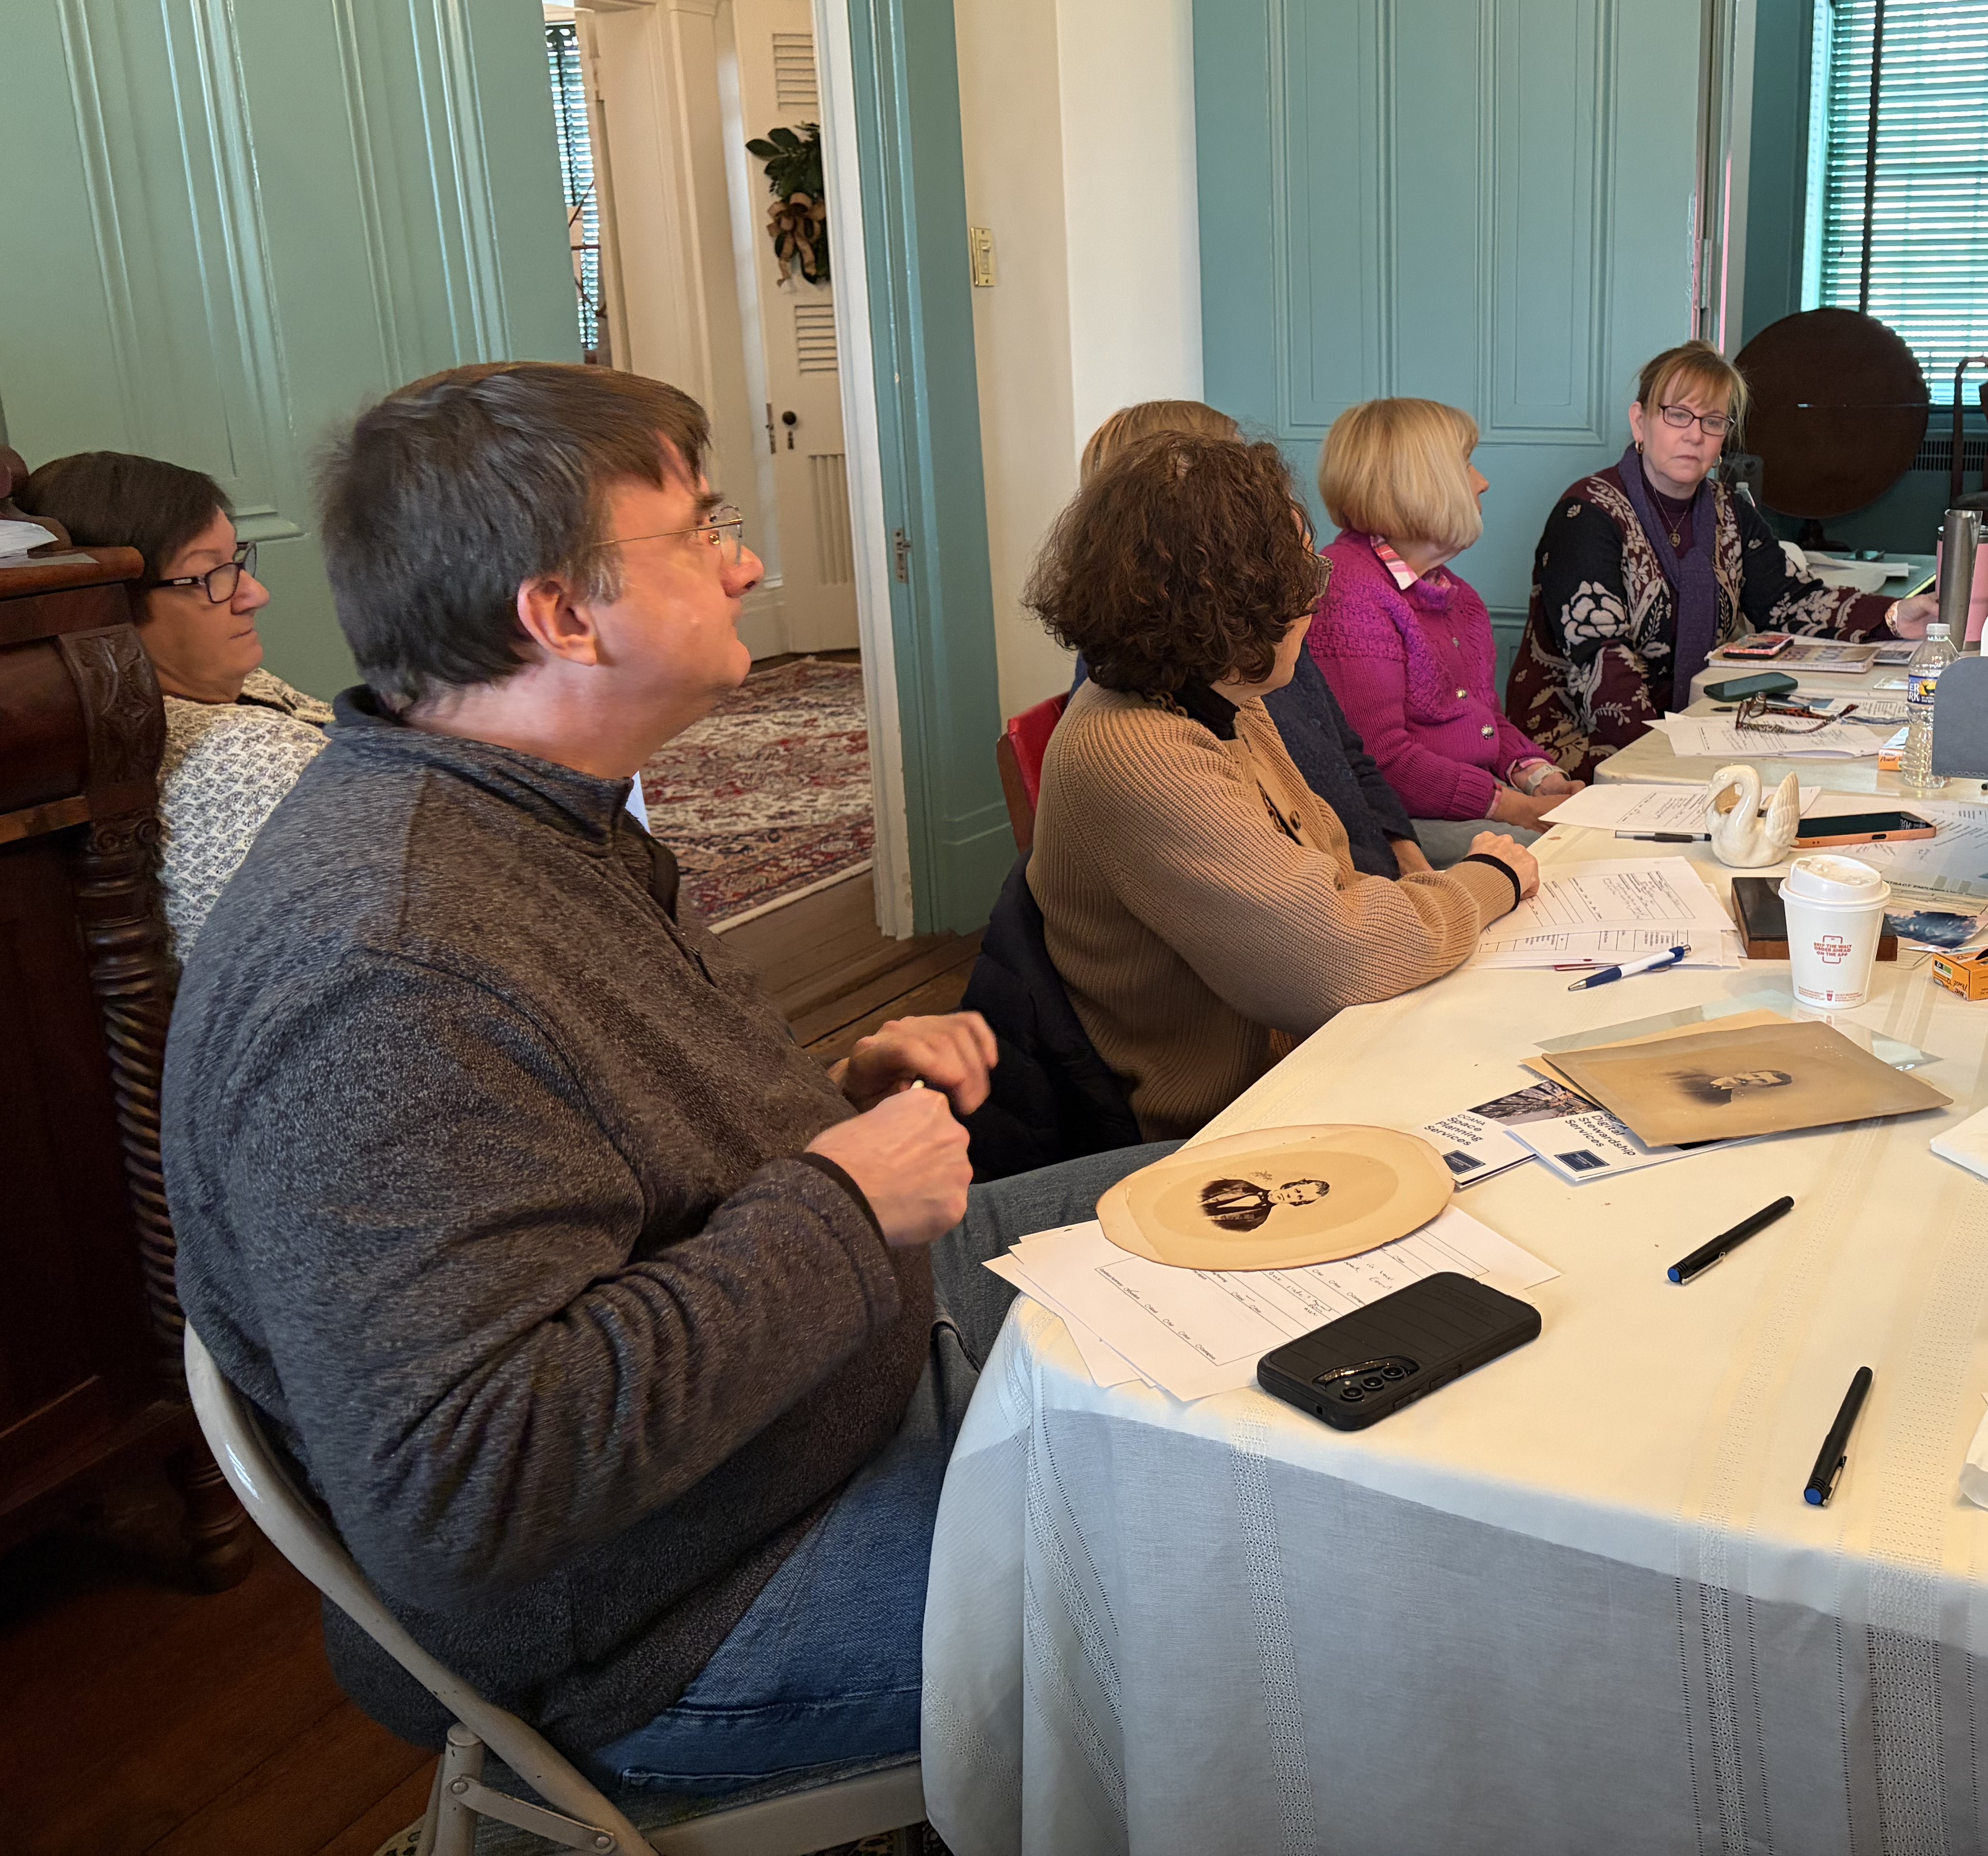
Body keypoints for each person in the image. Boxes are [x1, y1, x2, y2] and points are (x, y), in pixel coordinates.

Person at [162, 360, 1172, 1792]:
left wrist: (827, 1091)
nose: (749, 561)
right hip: (672, 1614)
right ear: (562, 614)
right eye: (700, 531)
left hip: (817, 1400)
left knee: (1208, 1203)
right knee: (1266, 1594)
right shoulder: (385, 969)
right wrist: (833, 1196)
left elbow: (578, 1156)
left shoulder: (524, 825)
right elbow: (466, 1483)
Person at [1023, 431, 1539, 1139]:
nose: (1313, 602)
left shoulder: (1223, 696)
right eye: (1298, 578)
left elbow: (1335, 877)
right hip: (1234, 1120)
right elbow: (1337, 958)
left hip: (1312, 1061)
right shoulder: (1137, 749)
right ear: (1225, 597)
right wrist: (1490, 880)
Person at [1508, 340, 1941, 776]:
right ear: (1640, 423)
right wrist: (1672, 757)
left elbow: (1787, 601)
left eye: (1712, 422)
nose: (1694, 435)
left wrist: (1895, 617)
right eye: (1677, 415)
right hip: (1579, 743)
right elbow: (1602, 664)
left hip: (1695, 726)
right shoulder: (1587, 515)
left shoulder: (1729, 510)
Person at [1077, 399, 1432, 877]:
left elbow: (1350, 757)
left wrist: (1410, 862)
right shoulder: (1154, 714)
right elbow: (1309, 912)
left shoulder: (1247, 651)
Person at [20, 451, 333, 953]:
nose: (255, 594)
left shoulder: (229, 689)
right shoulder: (253, 759)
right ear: (111, 608)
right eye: (210, 575)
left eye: (235, 561)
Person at [1307, 396, 1584, 867]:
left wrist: (1541, 779)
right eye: (1467, 465)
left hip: (1467, 804)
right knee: (1566, 860)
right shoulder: (1347, 589)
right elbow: (1382, 763)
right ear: (1418, 483)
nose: (1483, 482)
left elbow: (1485, 721)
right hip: (1395, 821)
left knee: (1588, 842)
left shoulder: (1459, 596)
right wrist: (1522, 811)